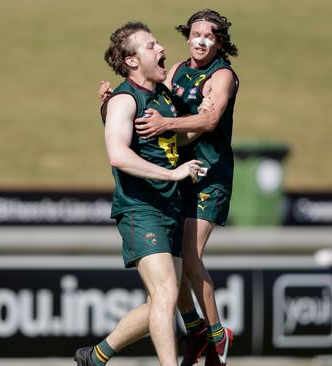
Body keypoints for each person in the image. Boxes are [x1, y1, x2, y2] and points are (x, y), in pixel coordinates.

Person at [99, 9, 239, 366]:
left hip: (197, 183)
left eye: (210, 35)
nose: (201, 40)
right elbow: (122, 140)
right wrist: (109, 107)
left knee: (176, 278)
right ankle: (198, 335)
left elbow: (203, 121)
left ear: (220, 41)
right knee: (167, 289)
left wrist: (172, 123)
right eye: (195, 33)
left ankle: (214, 335)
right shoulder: (152, 84)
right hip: (160, 192)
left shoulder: (206, 80)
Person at [74, 21, 205, 366]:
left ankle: (96, 356)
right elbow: (118, 154)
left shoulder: (162, 96)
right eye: (151, 46)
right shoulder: (124, 98)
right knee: (164, 293)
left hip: (169, 207)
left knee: (162, 300)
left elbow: (169, 139)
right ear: (132, 61)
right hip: (140, 209)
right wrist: (172, 173)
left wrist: (208, 120)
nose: (161, 49)